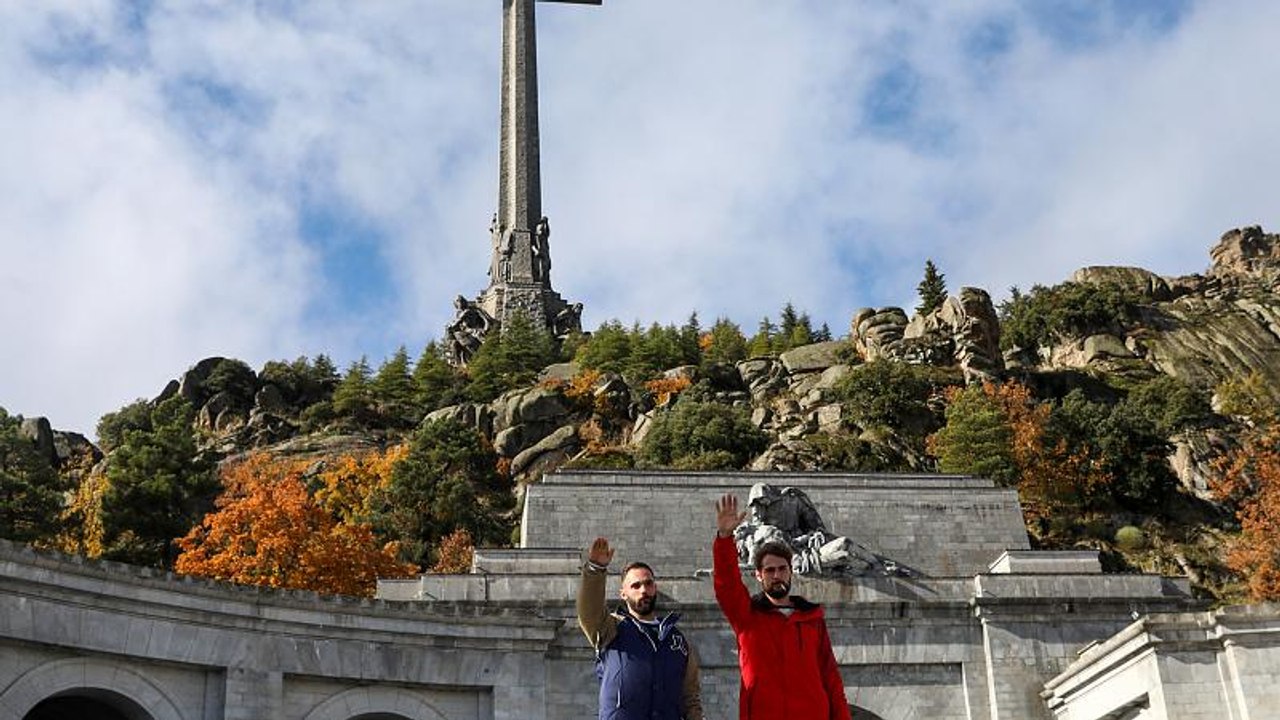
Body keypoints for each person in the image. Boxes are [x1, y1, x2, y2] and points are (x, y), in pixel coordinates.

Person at [714, 494, 851, 720]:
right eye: (769, 570)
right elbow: (726, 584)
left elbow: (831, 678)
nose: (776, 575)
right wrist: (724, 538)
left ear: (790, 571)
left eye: (781, 569)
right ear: (758, 575)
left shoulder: (812, 618)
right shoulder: (746, 617)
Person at [577, 537, 704, 720]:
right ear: (623, 593)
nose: (643, 590)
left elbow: (690, 697)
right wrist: (595, 570)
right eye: (635, 586)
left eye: (648, 584)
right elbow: (589, 611)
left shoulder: (678, 641)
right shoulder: (610, 628)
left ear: (655, 588)